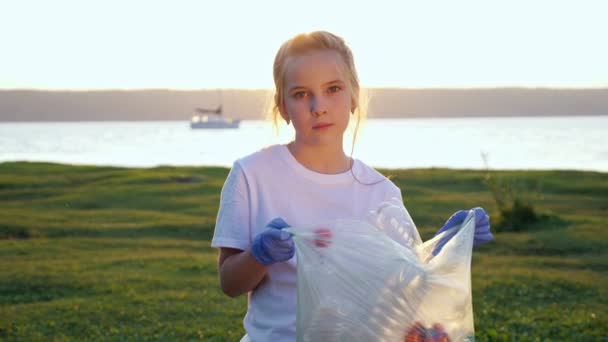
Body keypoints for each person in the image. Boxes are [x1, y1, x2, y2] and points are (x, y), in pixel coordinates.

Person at [211, 31, 493, 342]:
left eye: (333, 89)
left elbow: (400, 290)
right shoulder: (252, 174)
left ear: (354, 96)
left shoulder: (381, 192)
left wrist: (442, 248)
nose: (319, 106)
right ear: (282, 105)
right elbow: (230, 283)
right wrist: (259, 255)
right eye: (301, 94)